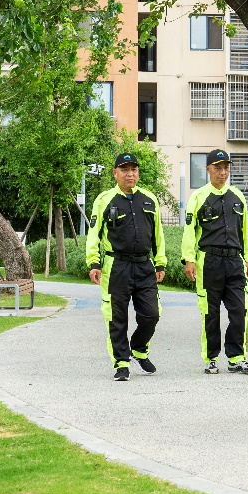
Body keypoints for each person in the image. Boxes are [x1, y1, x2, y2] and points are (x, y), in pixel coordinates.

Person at [86, 152, 167, 381]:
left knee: (152, 313)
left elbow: (158, 235)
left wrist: (160, 262)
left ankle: (139, 349)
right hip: (116, 267)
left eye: (133, 169)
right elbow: (94, 234)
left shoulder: (150, 199)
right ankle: (121, 363)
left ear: (138, 172)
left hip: (144, 266)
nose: (130, 174)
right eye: (124, 170)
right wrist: (94, 262)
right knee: (116, 316)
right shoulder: (104, 200)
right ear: (115, 173)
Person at [181, 149, 248, 375]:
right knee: (210, 312)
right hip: (209, 261)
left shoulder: (238, 197)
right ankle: (211, 358)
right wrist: (189, 260)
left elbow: (244, 232)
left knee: (239, 310)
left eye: (226, 168)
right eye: (217, 168)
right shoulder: (198, 197)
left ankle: (236, 357)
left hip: (235, 261)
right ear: (208, 170)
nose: (222, 173)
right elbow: (189, 232)